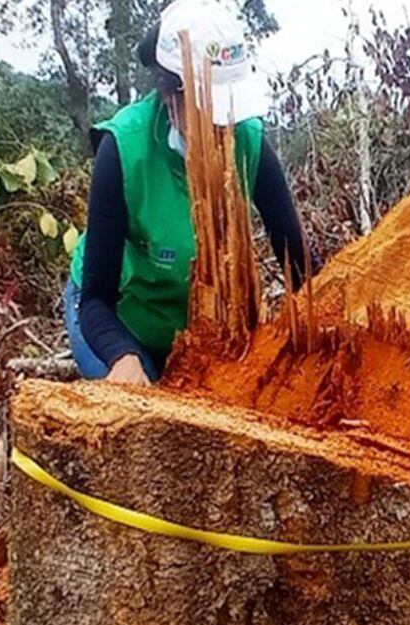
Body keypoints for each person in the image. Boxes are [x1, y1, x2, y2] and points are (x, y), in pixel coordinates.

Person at [64, 0, 307, 386]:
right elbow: (96, 300)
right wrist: (122, 358)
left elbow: (300, 265)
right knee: (143, 406)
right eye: (208, 109)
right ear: (169, 94)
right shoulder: (124, 150)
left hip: (199, 329)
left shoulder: (248, 142)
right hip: (118, 321)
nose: (221, 127)